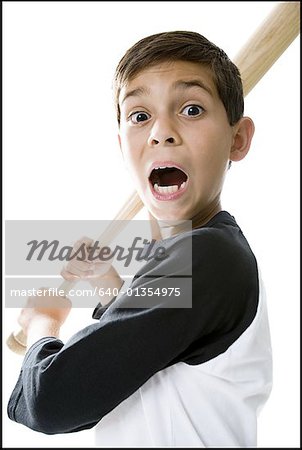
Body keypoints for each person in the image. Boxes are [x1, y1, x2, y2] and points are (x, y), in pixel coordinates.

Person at [7, 31, 273, 447]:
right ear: (123, 146)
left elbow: (51, 402)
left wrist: (45, 322)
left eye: (190, 108)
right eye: (139, 116)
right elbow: (159, 369)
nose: (161, 132)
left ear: (237, 139)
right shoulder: (203, 259)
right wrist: (110, 289)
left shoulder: (207, 256)